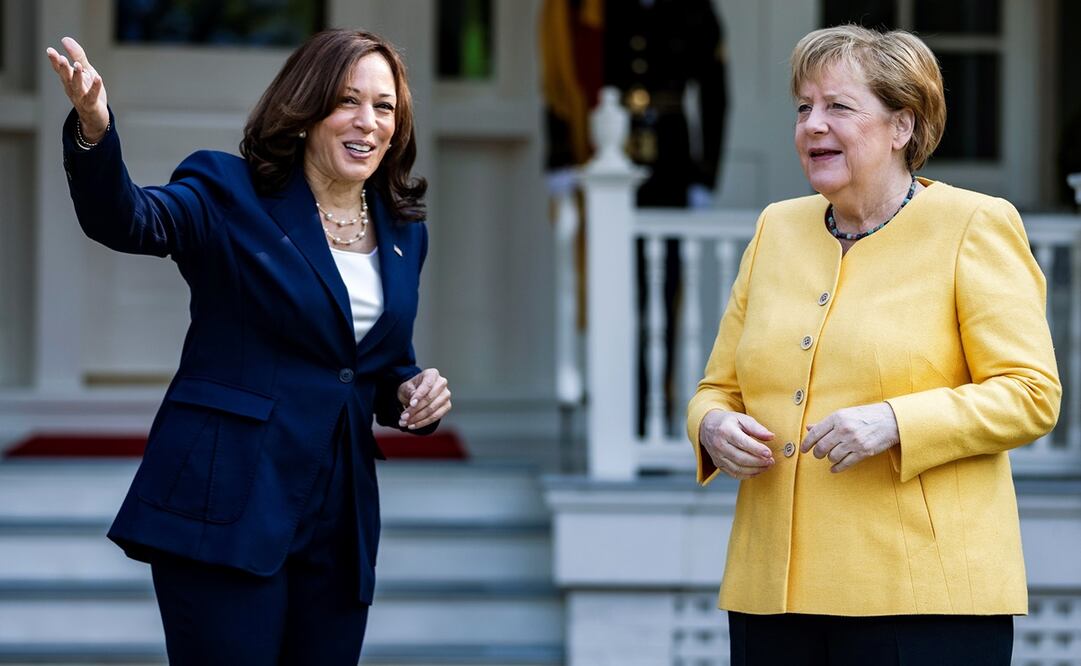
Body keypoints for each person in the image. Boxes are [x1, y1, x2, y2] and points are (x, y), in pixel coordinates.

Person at [46, 29, 451, 665]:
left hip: (338, 518)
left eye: (385, 107)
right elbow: (127, 219)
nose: (367, 122)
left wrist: (410, 392)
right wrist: (94, 130)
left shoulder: (404, 234)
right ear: (305, 108)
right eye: (347, 100)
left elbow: (372, 361)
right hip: (228, 494)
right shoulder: (227, 191)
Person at [686, 25, 1060, 665]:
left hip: (923, 599)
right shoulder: (776, 228)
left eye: (838, 107)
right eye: (804, 107)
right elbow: (716, 387)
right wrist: (713, 426)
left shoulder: (975, 224)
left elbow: (1030, 394)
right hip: (770, 595)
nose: (812, 125)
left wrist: (894, 421)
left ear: (902, 127)